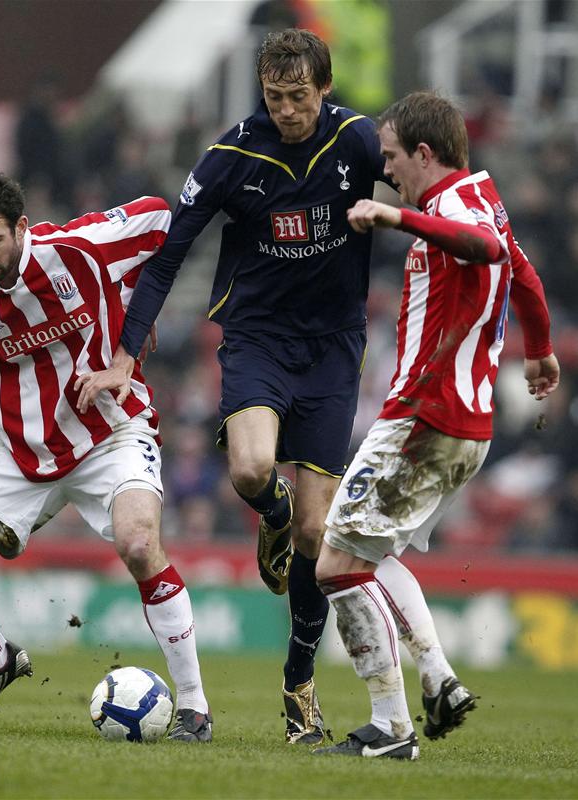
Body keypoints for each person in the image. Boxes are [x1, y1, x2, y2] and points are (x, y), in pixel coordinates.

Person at [87, 29, 468, 746]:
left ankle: (298, 684)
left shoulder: (357, 142)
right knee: (253, 469)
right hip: (258, 339)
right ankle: (271, 509)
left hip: (333, 351)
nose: (287, 110)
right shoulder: (233, 155)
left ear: (324, 89)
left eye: (299, 97)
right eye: (274, 96)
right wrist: (122, 353)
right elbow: (169, 258)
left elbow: (428, 191)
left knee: (319, 538)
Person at [0, 171, 212, 741]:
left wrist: (134, 324)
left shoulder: (79, 251)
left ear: (22, 227)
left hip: (111, 435)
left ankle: (195, 707)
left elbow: (159, 215)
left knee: (138, 542)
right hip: (21, 449)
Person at [311, 91, 559, 760]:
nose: (386, 169)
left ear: (424, 153)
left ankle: (391, 728)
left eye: (392, 158)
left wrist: (398, 218)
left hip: (427, 416)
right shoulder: (482, 196)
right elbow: (524, 274)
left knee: (334, 564)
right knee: (369, 552)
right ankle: (439, 678)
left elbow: (482, 250)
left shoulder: (453, 209)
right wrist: (538, 347)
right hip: (459, 426)